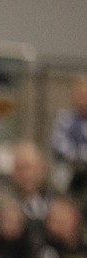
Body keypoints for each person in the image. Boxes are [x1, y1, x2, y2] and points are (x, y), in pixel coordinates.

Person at [50, 75, 87, 211]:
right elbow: (59, 146)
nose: (84, 99)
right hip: (69, 173)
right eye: (80, 94)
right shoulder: (65, 119)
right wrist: (78, 157)